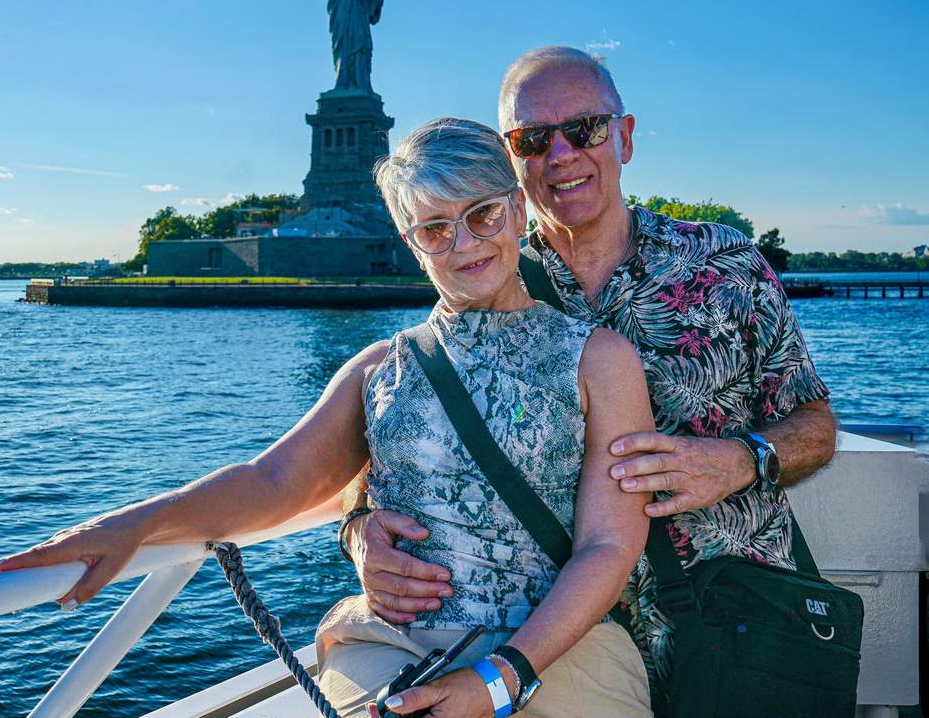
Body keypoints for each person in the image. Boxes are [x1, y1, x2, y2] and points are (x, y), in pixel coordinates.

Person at [0, 117, 656, 718]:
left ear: (516, 211)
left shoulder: (598, 360)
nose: (461, 243)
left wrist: (495, 678)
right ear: (409, 241)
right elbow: (274, 480)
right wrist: (135, 522)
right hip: (395, 648)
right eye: (433, 227)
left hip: (555, 652)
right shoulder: (378, 369)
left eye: (480, 214)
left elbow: (608, 545)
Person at [344, 48, 837, 707]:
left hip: (733, 622)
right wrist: (358, 531)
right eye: (532, 138)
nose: (561, 153)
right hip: (561, 649)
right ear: (510, 163)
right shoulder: (481, 271)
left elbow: (815, 424)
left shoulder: (727, 263)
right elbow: (403, 431)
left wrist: (740, 459)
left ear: (624, 137)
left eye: (584, 129)